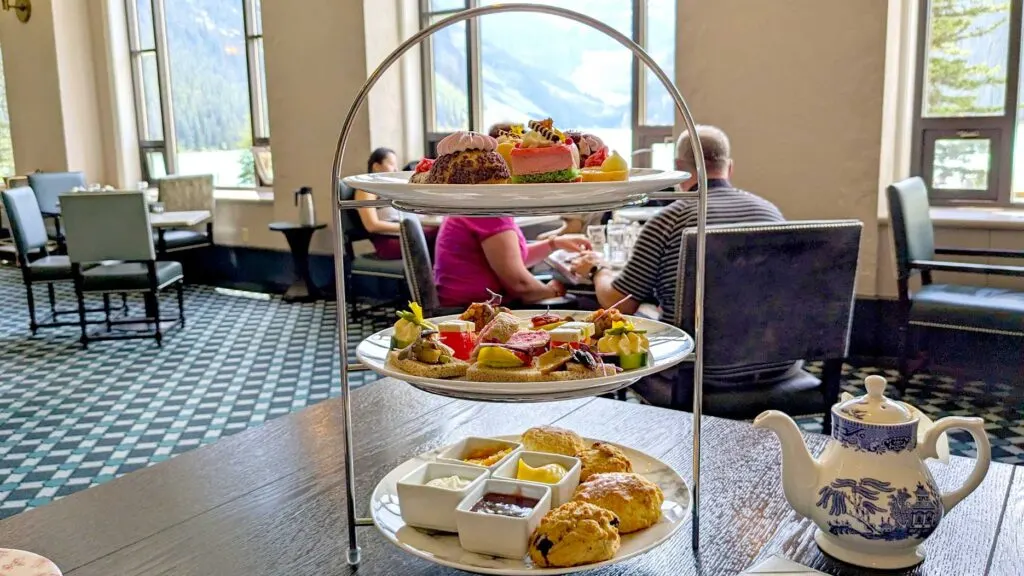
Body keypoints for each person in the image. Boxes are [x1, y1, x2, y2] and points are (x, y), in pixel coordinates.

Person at [571, 125, 801, 387]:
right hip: (780, 363)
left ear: (679, 167)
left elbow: (619, 303)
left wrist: (596, 268)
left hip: (695, 368)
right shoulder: (770, 213)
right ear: (730, 167)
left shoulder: (670, 219)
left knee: (625, 330)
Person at [434, 217, 591, 307]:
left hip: (470, 305)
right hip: (475, 312)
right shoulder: (488, 213)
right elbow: (521, 284)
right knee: (588, 305)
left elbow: (510, 257)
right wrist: (553, 291)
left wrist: (554, 243)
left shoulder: (478, 204)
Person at [355, 148, 437, 259]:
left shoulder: (391, 190)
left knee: (440, 231)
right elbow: (371, 225)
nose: (396, 169)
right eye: (391, 164)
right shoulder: (365, 189)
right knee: (439, 236)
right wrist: (410, 228)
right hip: (389, 241)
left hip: (406, 236)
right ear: (376, 166)